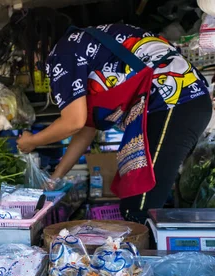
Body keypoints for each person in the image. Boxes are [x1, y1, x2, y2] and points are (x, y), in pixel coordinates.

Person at [16, 23, 213, 222]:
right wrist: (54, 178)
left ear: (40, 43)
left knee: (138, 208)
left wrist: (32, 141)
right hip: (185, 102)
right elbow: (85, 128)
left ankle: (139, 251)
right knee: (139, 201)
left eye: (27, 52)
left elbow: (73, 122)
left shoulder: (63, 52)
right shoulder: (85, 45)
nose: (31, 60)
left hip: (174, 102)